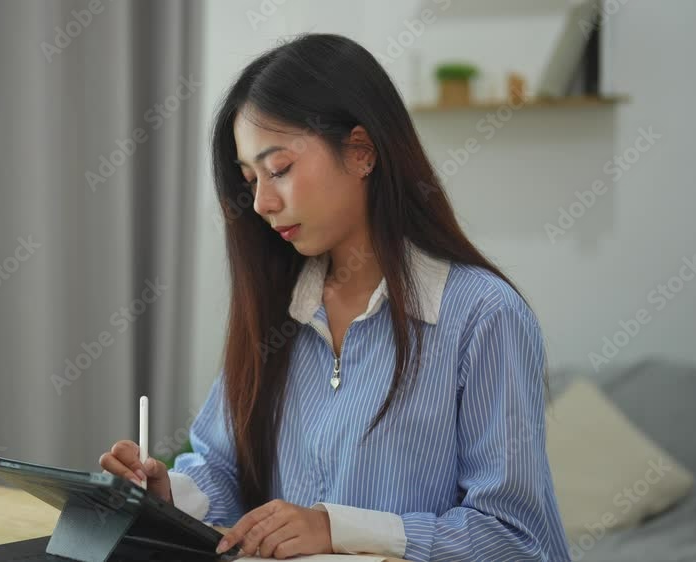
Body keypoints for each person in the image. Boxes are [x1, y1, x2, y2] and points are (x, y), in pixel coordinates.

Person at [99, 33, 568, 561]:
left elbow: (514, 539)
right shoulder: (277, 309)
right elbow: (223, 469)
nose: (262, 202)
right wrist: (165, 499)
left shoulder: (483, 315)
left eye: (279, 170)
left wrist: (336, 528)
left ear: (361, 151)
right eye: (250, 180)